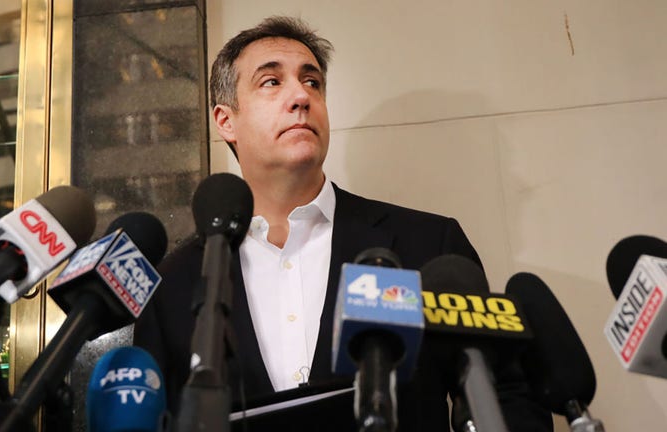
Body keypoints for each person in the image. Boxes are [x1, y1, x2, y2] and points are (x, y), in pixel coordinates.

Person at [134, 16, 551, 431]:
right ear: (226, 120)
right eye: (271, 82)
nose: (300, 96)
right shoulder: (173, 284)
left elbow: (510, 398)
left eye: (312, 82)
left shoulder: (429, 246)